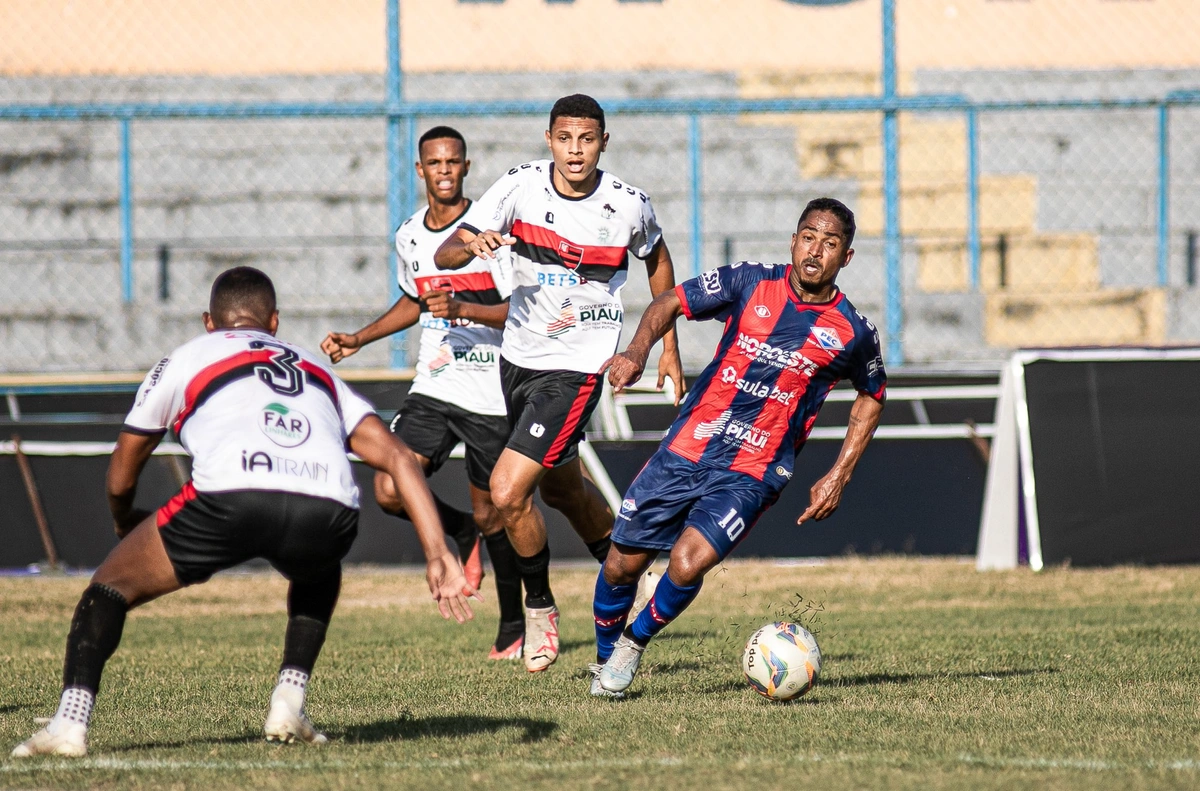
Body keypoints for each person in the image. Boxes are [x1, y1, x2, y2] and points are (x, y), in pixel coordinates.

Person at [12, 267, 475, 758]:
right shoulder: (316, 370)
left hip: (231, 494)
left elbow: (124, 464)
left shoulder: (187, 356)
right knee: (320, 572)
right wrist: (436, 551)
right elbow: (400, 458)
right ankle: (289, 700)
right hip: (329, 504)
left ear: (210, 322)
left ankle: (69, 724)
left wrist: (124, 518)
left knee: (108, 589)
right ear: (273, 322)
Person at [589, 198, 887, 697]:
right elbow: (669, 303)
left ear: (847, 257)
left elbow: (873, 397)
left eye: (831, 243)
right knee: (621, 564)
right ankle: (603, 662)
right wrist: (639, 351)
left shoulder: (853, 332)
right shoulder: (749, 282)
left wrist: (840, 473)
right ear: (793, 241)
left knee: (687, 562)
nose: (816, 251)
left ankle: (632, 646)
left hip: (754, 468)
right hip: (687, 446)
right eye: (809, 237)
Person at [434, 94, 685, 673]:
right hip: (517, 359)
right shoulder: (520, 185)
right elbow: (449, 250)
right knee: (561, 490)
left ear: (603, 142)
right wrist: (470, 243)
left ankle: (540, 609)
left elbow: (658, 259)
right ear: (548, 139)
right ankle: (632, 572)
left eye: (587, 139)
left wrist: (668, 346)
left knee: (507, 492)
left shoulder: (627, 205)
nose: (576, 151)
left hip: (576, 369)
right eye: (565, 138)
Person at [321, 126, 526, 660]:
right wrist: (359, 338)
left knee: (494, 513)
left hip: (489, 392)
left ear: (465, 166)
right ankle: (456, 532)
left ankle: (512, 624)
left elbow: (520, 313)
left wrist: (463, 308)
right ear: (420, 169)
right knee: (390, 486)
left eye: (453, 162)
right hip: (434, 384)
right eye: (434, 162)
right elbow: (414, 300)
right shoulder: (410, 235)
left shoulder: (490, 234)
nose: (443, 171)